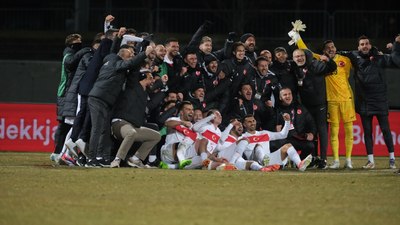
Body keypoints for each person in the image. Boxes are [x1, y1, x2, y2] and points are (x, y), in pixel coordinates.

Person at [296, 35, 356, 169]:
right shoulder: (321, 60)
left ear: (336, 48)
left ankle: (348, 160)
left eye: (333, 47)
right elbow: (306, 51)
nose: (331, 49)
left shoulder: (346, 60)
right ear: (324, 51)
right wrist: (297, 37)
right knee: (333, 131)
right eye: (328, 48)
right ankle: (335, 161)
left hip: (346, 99)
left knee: (349, 130)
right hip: (330, 100)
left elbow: (361, 62)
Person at [342, 35, 400, 169]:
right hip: (364, 102)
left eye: (366, 43)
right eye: (362, 44)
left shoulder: (379, 57)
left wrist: (395, 46)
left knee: (386, 130)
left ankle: (392, 159)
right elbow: (336, 54)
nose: (365, 46)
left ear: (370, 45)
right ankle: (370, 161)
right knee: (367, 132)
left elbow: (396, 60)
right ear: (358, 47)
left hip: (379, 100)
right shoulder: (354, 56)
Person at [292, 48, 337, 169]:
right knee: (310, 131)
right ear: (293, 58)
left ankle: (323, 159)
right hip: (306, 106)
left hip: (319, 105)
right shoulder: (294, 68)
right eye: (296, 57)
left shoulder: (316, 65)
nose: (299, 58)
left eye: (301, 56)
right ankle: (312, 157)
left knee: (322, 131)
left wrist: (328, 60)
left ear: (306, 56)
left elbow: (332, 68)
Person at [110, 71, 161, 168]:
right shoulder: (132, 86)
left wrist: (162, 86)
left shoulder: (144, 93)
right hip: (119, 123)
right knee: (131, 132)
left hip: (132, 126)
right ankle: (117, 160)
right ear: (143, 78)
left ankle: (136, 159)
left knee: (156, 136)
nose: (152, 81)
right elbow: (134, 73)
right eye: (150, 78)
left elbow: (151, 104)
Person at [241, 114, 313, 171]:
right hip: (255, 163)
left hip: (268, 159)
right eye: (249, 122)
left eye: (253, 121)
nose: (252, 123)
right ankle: (264, 164)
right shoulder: (242, 137)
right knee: (258, 146)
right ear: (244, 125)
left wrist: (287, 121)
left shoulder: (264, 133)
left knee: (288, 146)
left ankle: (300, 165)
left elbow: (283, 135)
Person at [272, 87, 316, 161]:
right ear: (280, 97)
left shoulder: (300, 108)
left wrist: (312, 133)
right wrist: (275, 129)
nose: (288, 96)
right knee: (273, 145)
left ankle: (299, 160)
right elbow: (269, 126)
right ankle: (280, 162)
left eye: (289, 94)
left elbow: (311, 123)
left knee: (310, 145)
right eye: (285, 95)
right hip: (284, 140)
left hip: (298, 138)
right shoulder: (276, 111)